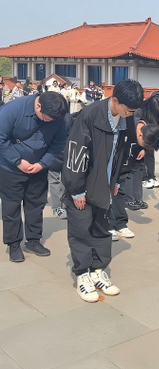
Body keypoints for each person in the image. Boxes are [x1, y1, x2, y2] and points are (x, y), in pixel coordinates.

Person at [62, 79, 146, 302]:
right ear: (115, 100)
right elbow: (75, 152)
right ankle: (82, 274)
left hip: (106, 184)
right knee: (81, 230)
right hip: (83, 185)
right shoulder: (90, 115)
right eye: (128, 110)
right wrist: (77, 189)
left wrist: (118, 181)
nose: (130, 115)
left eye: (133, 111)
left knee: (102, 229)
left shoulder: (126, 117)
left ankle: (98, 270)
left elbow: (124, 152)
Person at [0, 90, 68, 262]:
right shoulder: (13, 110)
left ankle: (33, 240)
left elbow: (59, 142)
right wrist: (17, 161)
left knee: (36, 204)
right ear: (38, 106)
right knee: (11, 206)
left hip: (38, 167)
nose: (49, 122)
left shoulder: (57, 116)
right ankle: (14, 244)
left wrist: (43, 164)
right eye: (47, 118)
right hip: (11, 167)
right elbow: (1, 139)